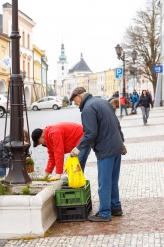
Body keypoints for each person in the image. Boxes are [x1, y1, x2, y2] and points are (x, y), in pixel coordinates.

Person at [69, 87, 126, 222]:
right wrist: (122, 142)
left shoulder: (88, 108)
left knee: (104, 182)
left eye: (74, 100)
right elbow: (117, 124)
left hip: (105, 149)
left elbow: (90, 133)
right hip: (116, 146)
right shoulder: (103, 102)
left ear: (79, 95)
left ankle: (105, 213)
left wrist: (78, 148)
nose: (75, 103)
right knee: (113, 180)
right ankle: (115, 207)